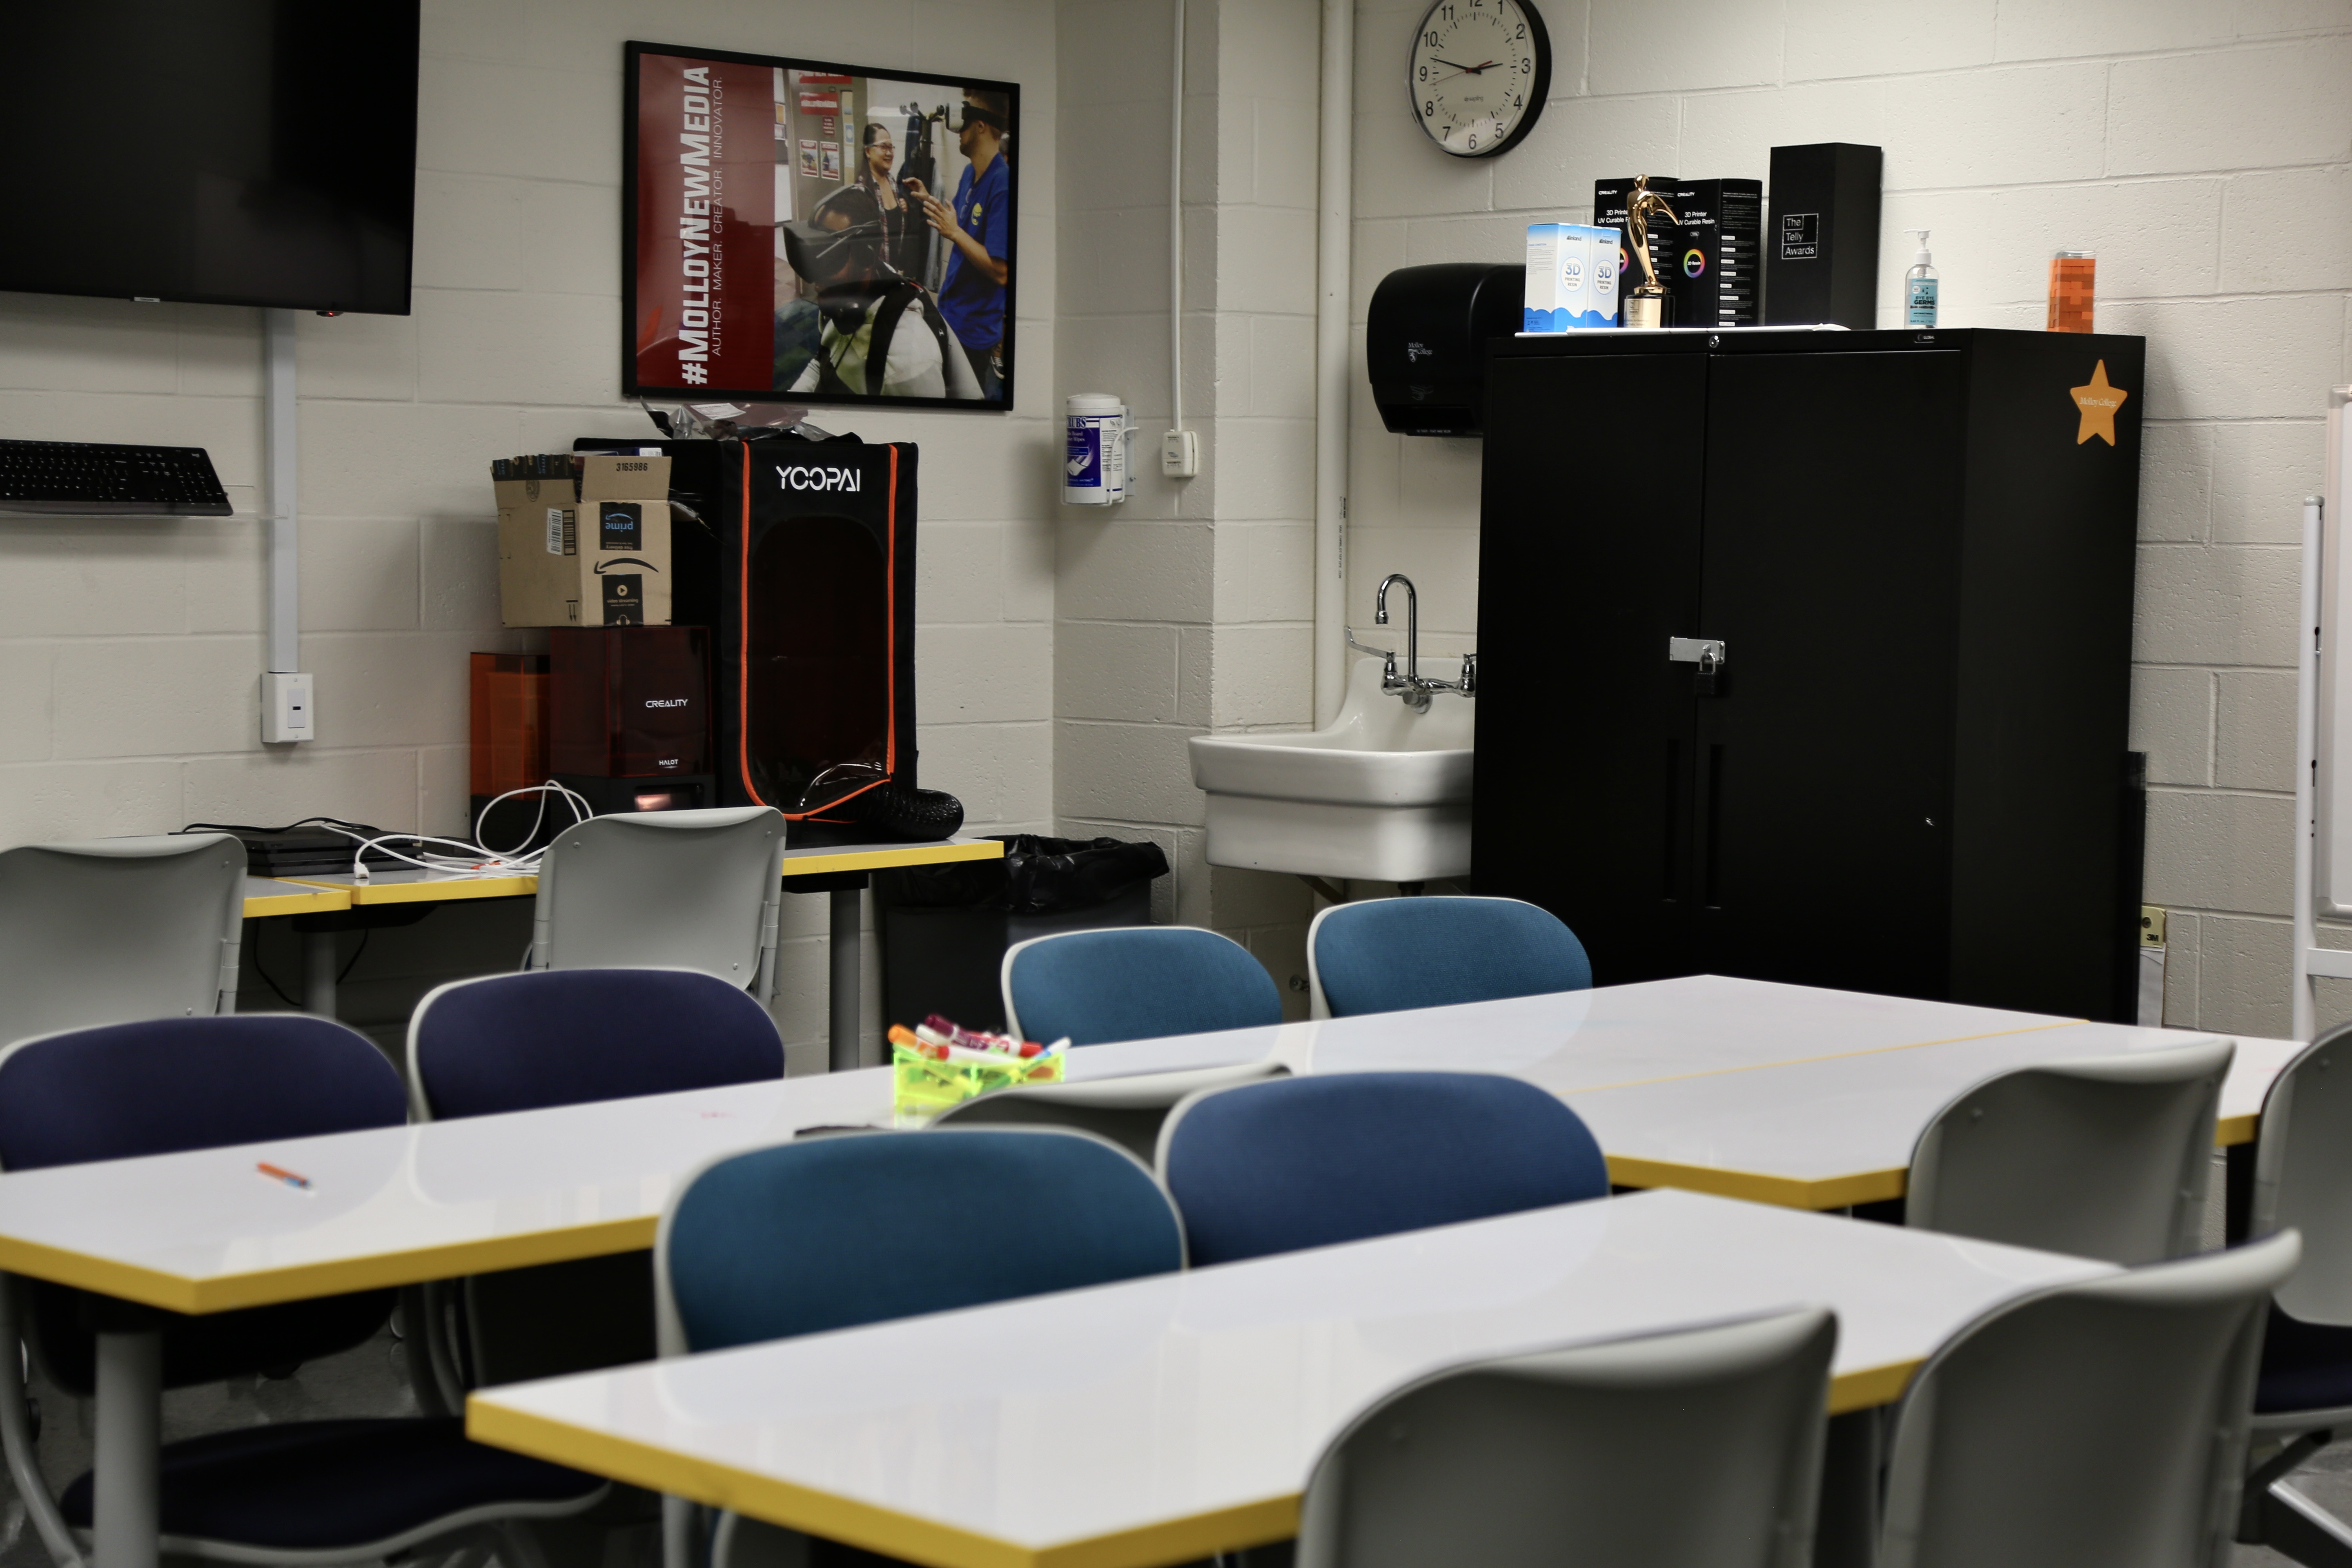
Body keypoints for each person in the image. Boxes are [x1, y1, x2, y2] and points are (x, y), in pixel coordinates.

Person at [775, 185, 982, 400]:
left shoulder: (906, 365)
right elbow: (824, 359)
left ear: (866, 257)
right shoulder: (841, 297)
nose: (817, 284)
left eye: (831, 260)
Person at [910, 89, 1011, 400]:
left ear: (981, 126)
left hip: (974, 330)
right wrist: (930, 200)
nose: (959, 130)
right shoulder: (970, 173)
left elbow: (1002, 272)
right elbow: (959, 223)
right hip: (952, 313)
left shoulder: (1003, 184)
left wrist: (954, 232)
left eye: (967, 118)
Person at [851, 120, 925, 283]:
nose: (889, 153)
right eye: (883, 147)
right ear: (868, 151)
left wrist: (904, 209)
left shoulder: (892, 182)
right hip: (873, 278)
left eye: (891, 148)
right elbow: (860, 247)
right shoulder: (861, 191)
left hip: (894, 273)